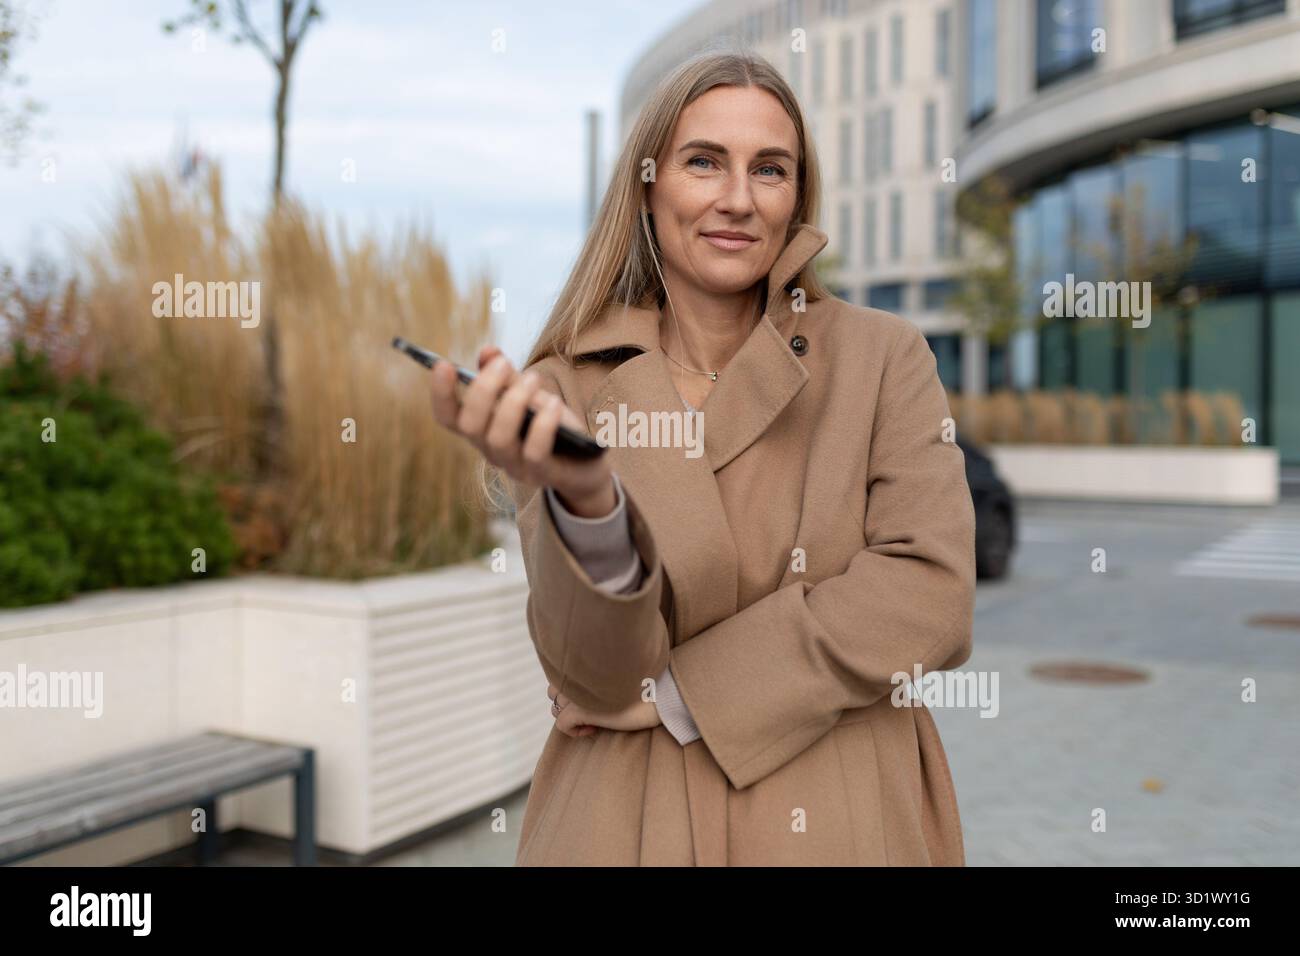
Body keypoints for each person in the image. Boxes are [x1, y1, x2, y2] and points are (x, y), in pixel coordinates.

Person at [429, 50, 976, 866]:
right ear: (648, 185)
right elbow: (596, 680)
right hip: (626, 823)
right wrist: (588, 498)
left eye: (770, 170)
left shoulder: (883, 358)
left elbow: (931, 593)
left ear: (798, 197)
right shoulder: (565, 388)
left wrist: (683, 695)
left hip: (844, 816)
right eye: (704, 162)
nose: (738, 200)